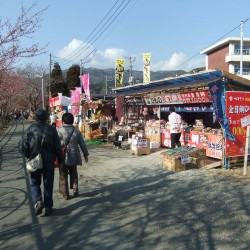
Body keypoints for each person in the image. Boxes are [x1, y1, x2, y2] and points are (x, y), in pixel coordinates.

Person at [21, 109, 64, 217]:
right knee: (48, 184)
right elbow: (58, 147)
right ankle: (48, 208)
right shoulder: (51, 129)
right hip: (49, 161)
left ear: (35, 117)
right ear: (46, 118)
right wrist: (61, 160)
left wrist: (28, 155)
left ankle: (38, 201)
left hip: (34, 159)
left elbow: (24, 145)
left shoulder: (30, 129)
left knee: (34, 182)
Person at [57, 113, 89, 200]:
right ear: (72, 121)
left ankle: (65, 194)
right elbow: (82, 144)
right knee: (74, 172)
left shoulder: (59, 130)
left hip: (62, 156)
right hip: (74, 155)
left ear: (63, 121)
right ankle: (75, 189)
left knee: (63, 174)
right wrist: (85, 154)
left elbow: (55, 145)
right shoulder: (76, 131)